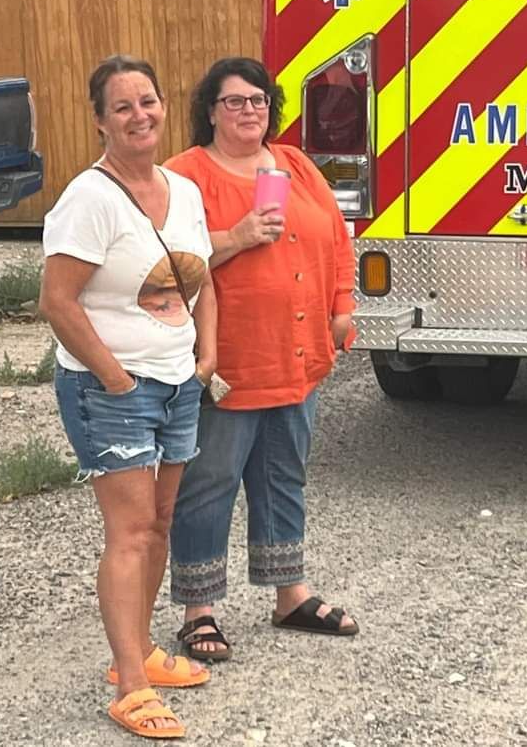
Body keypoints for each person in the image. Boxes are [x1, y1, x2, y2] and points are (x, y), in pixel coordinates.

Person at [41, 55, 217, 740]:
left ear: (164, 105)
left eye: (148, 101)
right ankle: (132, 685)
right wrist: (114, 376)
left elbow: (203, 279)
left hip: (177, 383)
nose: (139, 115)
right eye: (123, 107)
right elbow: (56, 302)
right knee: (132, 530)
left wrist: (204, 355)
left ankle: (138, 654)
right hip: (110, 388)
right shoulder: (89, 199)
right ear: (100, 122)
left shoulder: (184, 190)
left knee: (162, 521)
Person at [165, 57, 359, 663]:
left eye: (258, 100)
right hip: (229, 363)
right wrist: (239, 237)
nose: (249, 111)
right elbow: (169, 261)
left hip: (296, 356)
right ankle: (199, 610)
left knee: (283, 477)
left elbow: (337, 233)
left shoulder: (295, 163)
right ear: (210, 110)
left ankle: (289, 595)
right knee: (209, 483)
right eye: (234, 101)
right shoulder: (185, 176)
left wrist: (342, 303)